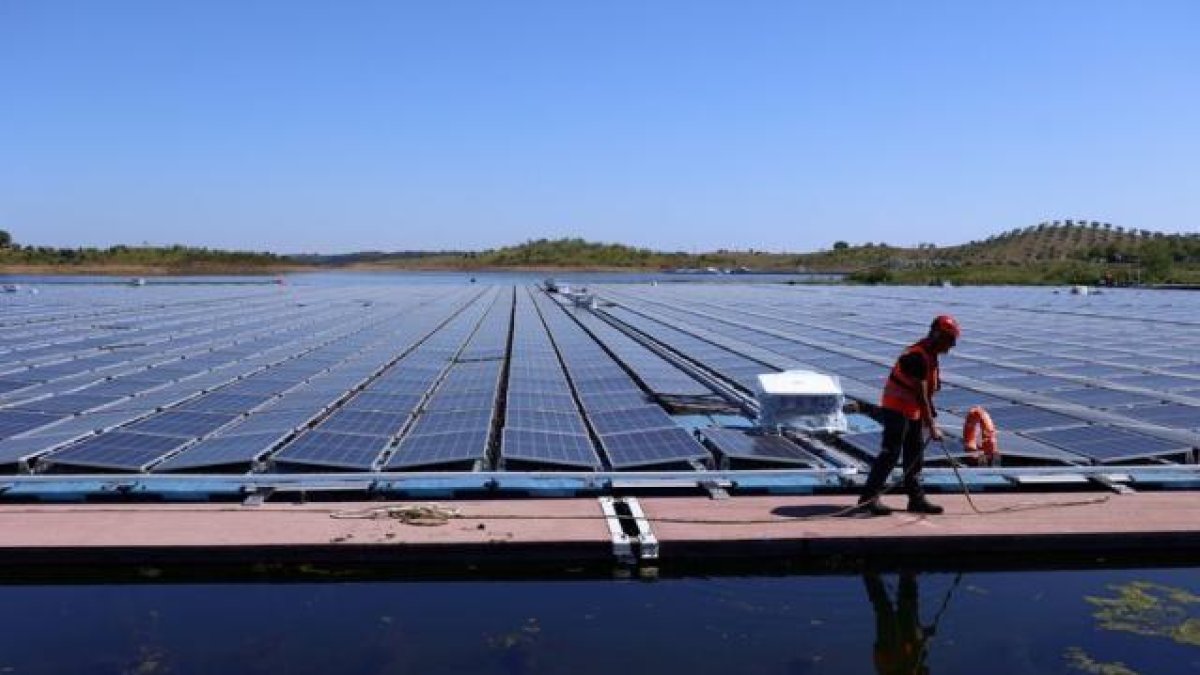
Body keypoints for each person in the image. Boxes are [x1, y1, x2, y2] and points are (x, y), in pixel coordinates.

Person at [857, 315, 960, 515]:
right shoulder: (917, 357)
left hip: (912, 411)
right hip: (896, 408)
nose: (951, 347)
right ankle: (868, 499)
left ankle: (916, 500)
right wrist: (931, 426)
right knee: (891, 453)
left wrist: (930, 417)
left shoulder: (930, 356)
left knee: (915, 455)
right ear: (937, 335)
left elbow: (927, 395)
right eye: (949, 340)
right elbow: (920, 394)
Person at [863, 571, 933, 675]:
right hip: (902, 645)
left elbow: (919, 655)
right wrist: (925, 635)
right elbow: (921, 655)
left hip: (890, 648)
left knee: (885, 609)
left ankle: (871, 574)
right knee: (905, 606)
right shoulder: (913, 664)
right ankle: (907, 574)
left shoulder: (893, 667)